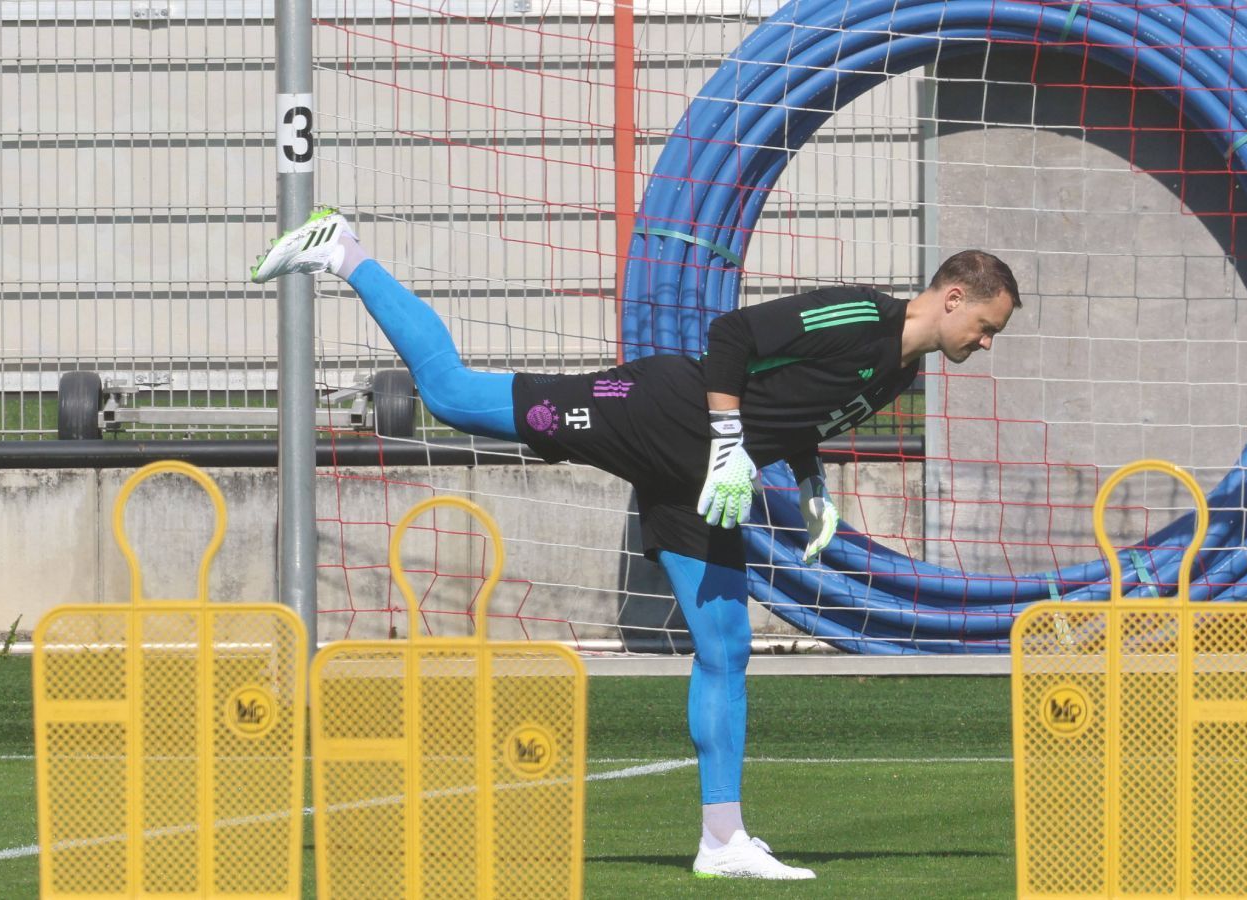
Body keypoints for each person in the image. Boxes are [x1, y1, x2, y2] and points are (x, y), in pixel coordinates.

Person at [251, 208, 1020, 880]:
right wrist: (726, 437)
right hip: (660, 412)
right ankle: (343, 250)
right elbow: (734, 336)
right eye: (986, 327)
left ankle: (722, 839)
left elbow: (797, 413)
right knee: (452, 396)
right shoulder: (860, 317)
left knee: (725, 645)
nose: (985, 345)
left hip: (700, 474)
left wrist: (813, 484)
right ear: (953, 297)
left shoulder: (899, 373)